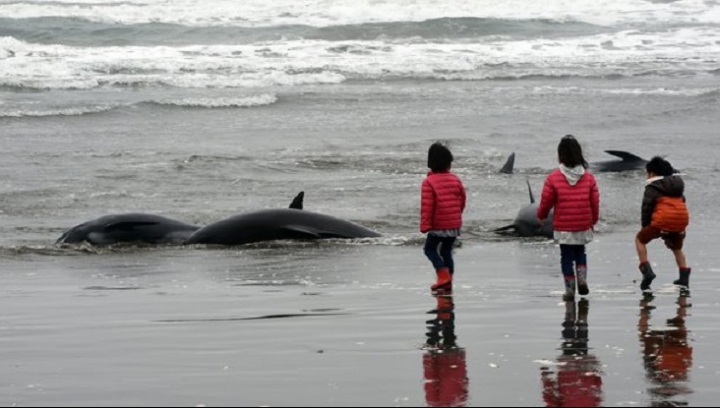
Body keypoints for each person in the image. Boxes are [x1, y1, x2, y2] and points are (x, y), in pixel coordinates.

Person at [537, 136, 600, 301]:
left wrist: (542, 216)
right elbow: (594, 202)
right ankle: (582, 279)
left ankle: (570, 290)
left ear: (560, 156)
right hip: (583, 223)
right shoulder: (588, 177)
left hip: (563, 225)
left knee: (566, 257)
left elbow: (546, 201)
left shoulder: (554, 178)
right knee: (580, 252)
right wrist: (593, 220)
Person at [636, 157, 691, 292]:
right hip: (681, 220)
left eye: (647, 173)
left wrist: (645, 227)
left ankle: (646, 271)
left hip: (662, 221)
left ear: (652, 174)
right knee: (676, 247)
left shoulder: (652, 186)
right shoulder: (678, 186)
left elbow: (647, 208)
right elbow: (681, 204)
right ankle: (683, 276)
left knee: (640, 240)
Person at [421, 143, 467, 294]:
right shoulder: (455, 179)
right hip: (454, 225)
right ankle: (449, 280)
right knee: (446, 251)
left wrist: (425, 226)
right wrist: (456, 217)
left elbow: (427, 206)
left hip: (438, 226)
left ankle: (442, 275)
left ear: (430, 163)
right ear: (449, 162)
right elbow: (462, 200)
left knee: (429, 249)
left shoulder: (428, 182)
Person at [541, 300, 603, 407]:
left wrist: (596, 376)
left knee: (582, 346)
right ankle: (570, 318)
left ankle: (581, 323)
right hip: (569, 376)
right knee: (569, 342)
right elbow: (550, 399)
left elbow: (597, 394)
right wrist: (546, 378)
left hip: (584, 376)